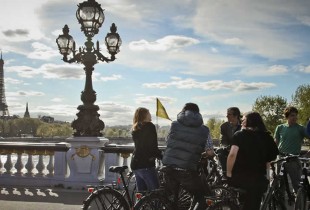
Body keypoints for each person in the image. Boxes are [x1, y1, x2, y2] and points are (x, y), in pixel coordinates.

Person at [162, 103, 214, 210]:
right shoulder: (204, 130)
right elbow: (210, 152)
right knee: (202, 198)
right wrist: (201, 154)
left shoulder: (174, 125)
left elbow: (168, 141)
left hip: (169, 168)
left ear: (183, 111)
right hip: (187, 171)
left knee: (173, 202)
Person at [226, 111, 279, 210]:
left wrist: (228, 174)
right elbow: (269, 159)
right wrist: (267, 176)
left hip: (239, 177)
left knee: (242, 201)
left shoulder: (239, 135)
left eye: (243, 120)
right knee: (254, 203)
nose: (241, 122)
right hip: (258, 179)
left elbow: (232, 155)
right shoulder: (267, 137)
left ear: (249, 121)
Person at [274, 106, 310, 193]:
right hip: (281, 158)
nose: (295, 117)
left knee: (297, 184)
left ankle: (299, 203)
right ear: (287, 116)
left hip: (293, 159)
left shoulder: (300, 128)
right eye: (292, 115)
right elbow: (275, 142)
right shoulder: (280, 127)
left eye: (296, 115)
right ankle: (281, 204)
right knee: (279, 184)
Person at [130, 107, 162, 192]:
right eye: (149, 113)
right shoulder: (150, 126)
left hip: (135, 164)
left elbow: (141, 146)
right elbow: (152, 146)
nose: (150, 115)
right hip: (146, 164)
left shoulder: (135, 128)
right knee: (156, 194)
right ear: (144, 115)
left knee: (141, 195)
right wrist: (161, 156)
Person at [218, 107, 242, 174]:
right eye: (227, 114)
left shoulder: (244, 125)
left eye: (229, 114)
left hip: (241, 149)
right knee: (220, 151)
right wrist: (226, 147)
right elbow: (223, 140)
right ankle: (225, 173)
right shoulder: (224, 126)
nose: (227, 116)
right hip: (228, 148)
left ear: (236, 116)